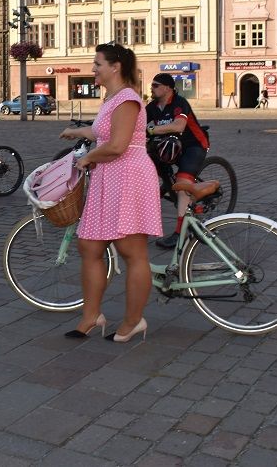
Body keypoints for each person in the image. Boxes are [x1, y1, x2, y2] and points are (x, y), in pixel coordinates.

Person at [59, 42, 161, 343]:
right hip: (109, 176)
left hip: (128, 176)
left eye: (97, 63)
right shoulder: (111, 98)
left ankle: (133, 321)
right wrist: (79, 132)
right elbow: (102, 133)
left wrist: (88, 158)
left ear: (115, 66)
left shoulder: (128, 99)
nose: (93, 68)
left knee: (132, 251)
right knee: (89, 247)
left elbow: (117, 145)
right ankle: (91, 317)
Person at [146, 72, 211, 250]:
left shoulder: (179, 102)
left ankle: (180, 233)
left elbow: (178, 126)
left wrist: (152, 130)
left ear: (167, 88)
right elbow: (140, 128)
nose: (151, 88)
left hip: (193, 146)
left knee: (182, 184)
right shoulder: (151, 107)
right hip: (169, 147)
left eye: (155, 85)